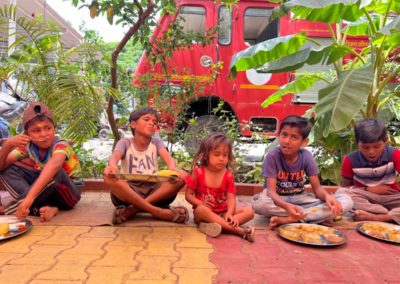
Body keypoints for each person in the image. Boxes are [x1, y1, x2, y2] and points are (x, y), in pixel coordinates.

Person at [252, 115, 353, 229]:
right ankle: (314, 218)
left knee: (347, 201)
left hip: (300, 198)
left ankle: (288, 219)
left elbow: (317, 188)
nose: (286, 141)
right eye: (284, 135)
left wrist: (327, 197)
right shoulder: (272, 157)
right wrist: (285, 206)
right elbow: (271, 191)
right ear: (278, 135)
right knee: (260, 205)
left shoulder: (306, 156)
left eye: (294, 137)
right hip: (278, 199)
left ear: (304, 142)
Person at [103, 107, 188, 224]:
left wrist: (172, 169)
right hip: (130, 191)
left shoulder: (156, 142)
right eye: (146, 119)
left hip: (154, 191)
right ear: (133, 124)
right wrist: (112, 166)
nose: (151, 124)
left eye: (154, 122)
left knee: (182, 175)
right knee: (108, 176)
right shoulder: (125, 142)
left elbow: (169, 158)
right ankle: (158, 212)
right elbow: (114, 157)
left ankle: (133, 210)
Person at [0, 102, 83, 222]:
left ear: (54, 128)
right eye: (36, 130)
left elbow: (54, 165)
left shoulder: (61, 145)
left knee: (55, 170)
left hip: (68, 194)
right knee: (7, 169)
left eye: (48, 128)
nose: (44, 134)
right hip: (44, 194)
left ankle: (12, 208)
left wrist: (28, 199)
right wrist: (7, 146)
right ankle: (45, 208)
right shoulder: (28, 146)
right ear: (27, 133)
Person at [184, 133, 255, 242]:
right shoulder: (198, 173)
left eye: (225, 155)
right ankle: (238, 230)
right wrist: (200, 204)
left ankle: (220, 225)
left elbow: (231, 198)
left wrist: (229, 213)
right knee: (201, 210)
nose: (221, 159)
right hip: (204, 214)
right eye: (217, 154)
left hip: (223, 213)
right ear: (205, 156)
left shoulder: (228, 176)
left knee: (250, 211)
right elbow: (188, 195)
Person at [341, 118, 400, 224]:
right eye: (365, 147)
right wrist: (368, 189)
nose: (371, 152)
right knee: (342, 193)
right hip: (366, 199)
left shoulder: (395, 154)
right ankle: (387, 214)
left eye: (377, 146)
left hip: (392, 197)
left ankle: (378, 217)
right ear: (357, 143)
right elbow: (345, 187)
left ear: (385, 141)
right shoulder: (349, 160)